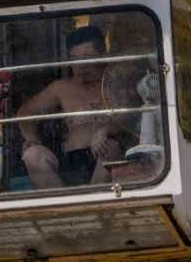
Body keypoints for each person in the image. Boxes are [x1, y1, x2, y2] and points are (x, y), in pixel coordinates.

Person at [14, 26, 138, 190]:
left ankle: (92, 203)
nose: (81, 67)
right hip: (71, 160)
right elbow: (26, 111)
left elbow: (133, 116)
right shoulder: (61, 88)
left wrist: (106, 130)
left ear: (102, 56)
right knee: (32, 155)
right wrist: (31, 138)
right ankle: (62, 207)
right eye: (75, 60)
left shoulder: (119, 83)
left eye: (87, 58)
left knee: (110, 146)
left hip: (108, 155)